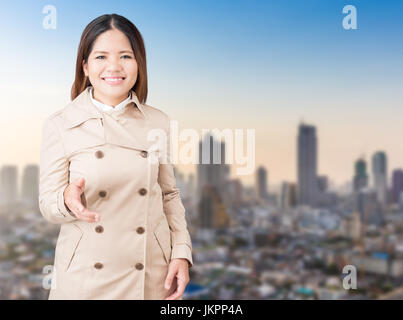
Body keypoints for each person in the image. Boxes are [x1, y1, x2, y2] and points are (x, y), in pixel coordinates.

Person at [39, 13, 193, 300]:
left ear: (138, 64)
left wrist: (181, 253)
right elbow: (48, 203)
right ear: (84, 66)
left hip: (150, 273)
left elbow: (169, 195)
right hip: (85, 276)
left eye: (125, 56)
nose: (114, 67)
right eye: (100, 57)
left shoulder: (158, 122)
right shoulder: (60, 124)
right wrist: (67, 201)